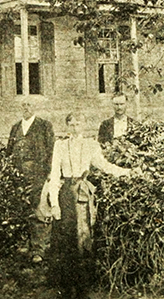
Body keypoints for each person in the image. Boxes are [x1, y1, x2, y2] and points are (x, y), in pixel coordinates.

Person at [48, 112, 133, 299]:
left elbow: (104, 165)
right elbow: (54, 175)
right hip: (66, 195)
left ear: (84, 125)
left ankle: (82, 290)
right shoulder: (60, 145)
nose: (75, 127)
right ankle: (66, 289)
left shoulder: (91, 145)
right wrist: (54, 204)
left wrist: (127, 172)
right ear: (67, 126)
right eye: (71, 124)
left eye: (78, 123)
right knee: (67, 240)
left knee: (84, 237)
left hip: (84, 194)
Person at [6, 99, 55, 264]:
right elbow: (9, 152)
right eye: (24, 105)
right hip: (19, 176)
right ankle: (24, 245)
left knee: (39, 211)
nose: (26, 108)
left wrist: (49, 173)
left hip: (38, 176)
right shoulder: (15, 128)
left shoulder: (44, 126)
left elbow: (51, 151)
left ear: (35, 107)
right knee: (21, 209)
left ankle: (38, 250)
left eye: (30, 105)